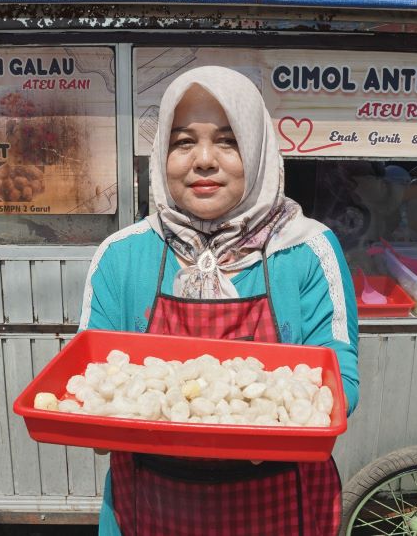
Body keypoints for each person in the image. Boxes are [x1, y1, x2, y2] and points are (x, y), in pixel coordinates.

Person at [79, 66, 359, 535]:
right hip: (149, 503)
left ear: (258, 148)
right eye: (183, 142)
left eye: (228, 141)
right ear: (161, 153)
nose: (204, 160)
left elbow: (339, 378)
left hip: (280, 502)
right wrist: (97, 421)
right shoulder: (121, 256)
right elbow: (92, 376)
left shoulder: (308, 251)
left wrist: (263, 428)